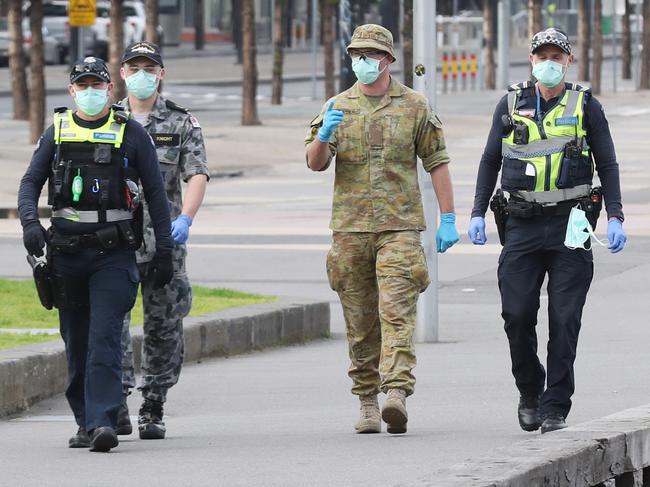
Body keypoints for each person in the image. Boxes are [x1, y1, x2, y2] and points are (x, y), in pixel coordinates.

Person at [467, 28, 627, 434]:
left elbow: (607, 163)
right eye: (542, 56)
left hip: (571, 224)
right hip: (521, 223)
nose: (549, 62)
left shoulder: (586, 105)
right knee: (516, 314)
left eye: (557, 55)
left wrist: (616, 216)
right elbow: (490, 160)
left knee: (564, 318)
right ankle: (530, 390)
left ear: (568, 61)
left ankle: (555, 406)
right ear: (532, 61)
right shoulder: (509, 104)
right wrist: (475, 212)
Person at [305, 24, 459, 435]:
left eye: (371, 55)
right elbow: (315, 162)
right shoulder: (338, 105)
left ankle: (396, 393)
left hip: (400, 227)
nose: (363, 62)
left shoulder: (414, 106)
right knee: (359, 321)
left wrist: (448, 217)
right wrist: (324, 136)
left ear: (388, 60)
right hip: (350, 230)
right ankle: (367, 401)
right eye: (357, 54)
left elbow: (437, 160)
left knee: (397, 313)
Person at [17, 57, 174, 452]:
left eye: (96, 85)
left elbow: (156, 194)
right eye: (82, 85)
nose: (89, 91)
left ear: (108, 89)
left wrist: (165, 250)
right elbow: (30, 182)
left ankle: (103, 421)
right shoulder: (57, 132)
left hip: (113, 254)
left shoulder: (131, 133)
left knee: (104, 336)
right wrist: (30, 224)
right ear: (71, 91)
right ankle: (85, 421)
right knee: (76, 339)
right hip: (66, 253)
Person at [117, 42, 209, 440]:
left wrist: (185, 219)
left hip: (163, 241)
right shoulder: (106, 119)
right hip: (114, 242)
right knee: (111, 325)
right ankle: (116, 400)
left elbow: (197, 173)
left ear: (161, 73)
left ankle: (153, 404)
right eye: (134, 67)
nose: (142, 75)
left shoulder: (180, 121)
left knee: (164, 325)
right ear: (122, 73)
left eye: (149, 68)